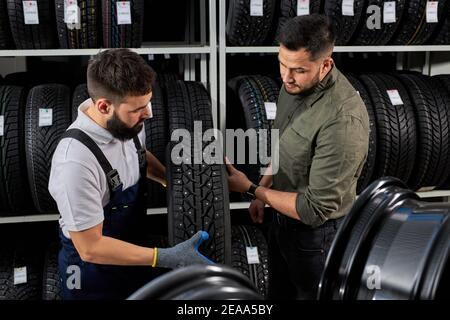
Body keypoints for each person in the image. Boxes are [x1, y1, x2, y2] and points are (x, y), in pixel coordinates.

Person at [49, 49, 212, 300]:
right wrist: (164, 257)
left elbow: (138, 155)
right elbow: (90, 248)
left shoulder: (128, 124)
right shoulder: (75, 161)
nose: (149, 114)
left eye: (148, 103)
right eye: (139, 108)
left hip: (129, 255)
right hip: (89, 275)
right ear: (104, 106)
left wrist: (182, 184)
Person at [226, 14, 369, 299]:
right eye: (282, 64)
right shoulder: (292, 86)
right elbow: (283, 140)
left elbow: (314, 209)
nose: (286, 77)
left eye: (299, 70)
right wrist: (264, 188)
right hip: (281, 222)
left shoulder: (343, 120)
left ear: (326, 64)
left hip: (317, 240)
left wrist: (251, 188)